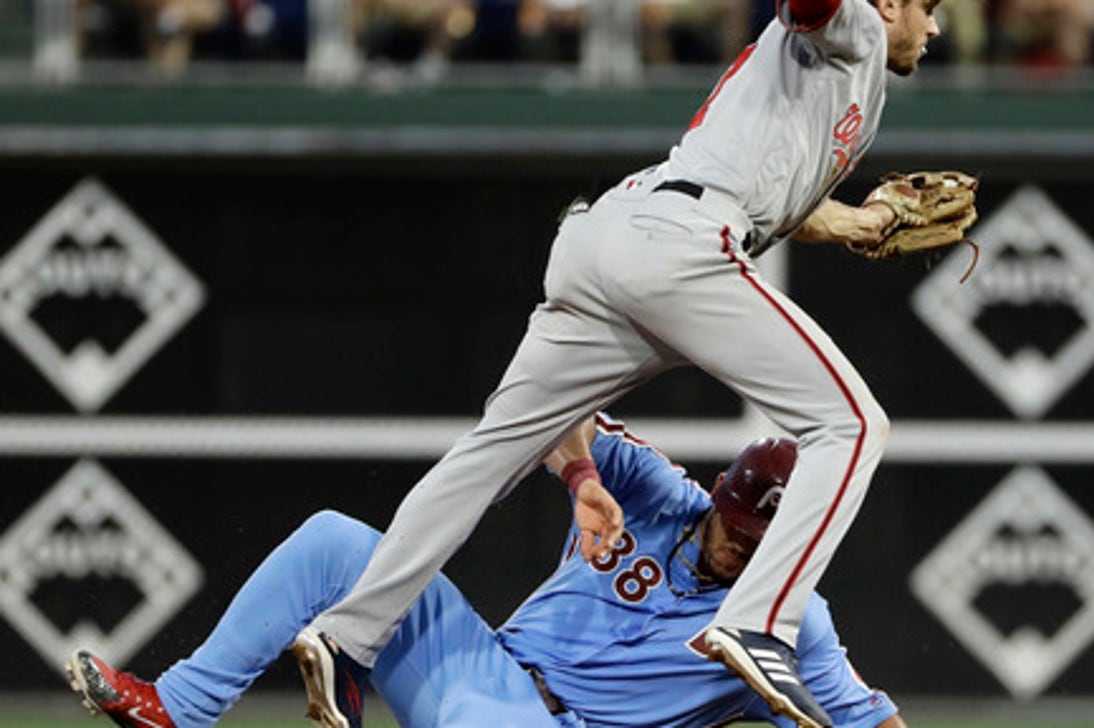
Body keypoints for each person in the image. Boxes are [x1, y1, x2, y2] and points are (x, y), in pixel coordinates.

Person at [296, 2, 943, 726]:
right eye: (929, 7)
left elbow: (783, 200)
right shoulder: (853, 24)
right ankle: (760, 624)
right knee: (852, 425)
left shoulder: (858, 87)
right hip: (682, 238)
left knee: (487, 455)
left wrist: (864, 221)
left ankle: (348, 636)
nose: (937, 27)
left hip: (610, 236)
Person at [67, 414, 906, 728]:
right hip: (483, 665)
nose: (738, 541)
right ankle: (178, 709)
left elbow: (873, 725)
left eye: (761, 537)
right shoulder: (659, 493)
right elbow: (556, 410)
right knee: (333, 540)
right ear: (722, 493)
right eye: (735, 518)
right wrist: (582, 480)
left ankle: (345, 669)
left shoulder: (796, 622)